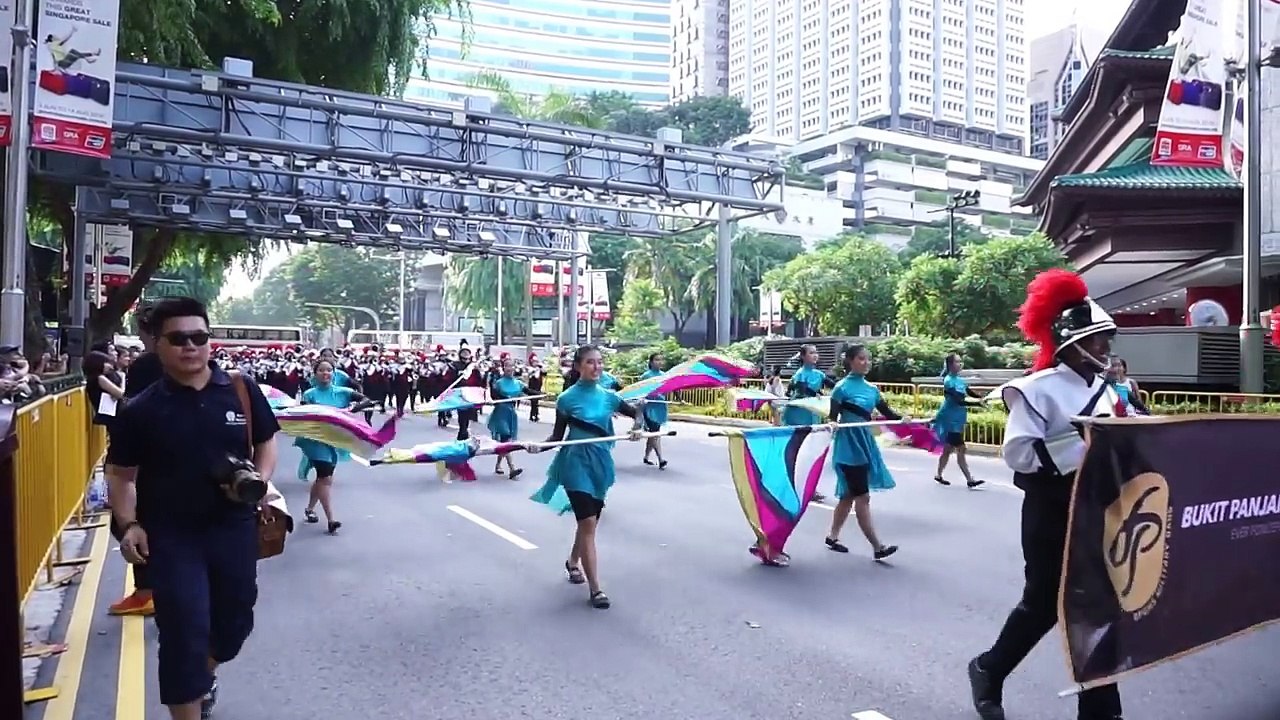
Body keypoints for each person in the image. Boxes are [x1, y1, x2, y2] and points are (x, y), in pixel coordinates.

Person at [104, 296, 280, 720]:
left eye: (198, 337)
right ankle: (189, 701)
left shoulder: (240, 389)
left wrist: (260, 480)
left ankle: (203, 676)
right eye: (178, 338)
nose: (190, 346)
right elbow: (121, 474)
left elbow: (267, 441)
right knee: (183, 629)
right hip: (171, 536)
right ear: (158, 345)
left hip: (233, 528)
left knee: (234, 624)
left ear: (210, 340)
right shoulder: (141, 409)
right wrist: (129, 525)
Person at [967, 269, 1125, 720]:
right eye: (1097, 340)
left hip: (1098, 507)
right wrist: (1087, 439)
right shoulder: (1034, 390)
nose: (1105, 349)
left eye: (1106, 339)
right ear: (1071, 344)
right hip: (1051, 510)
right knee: (1043, 605)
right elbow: (1018, 453)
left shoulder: (1106, 390)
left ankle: (1100, 709)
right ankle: (988, 669)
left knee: (1097, 606)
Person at [528, 345, 644, 610]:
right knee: (589, 524)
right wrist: (537, 447)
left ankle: (572, 562)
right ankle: (596, 590)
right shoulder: (566, 399)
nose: (597, 367)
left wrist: (637, 428)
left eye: (600, 362)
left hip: (600, 466)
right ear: (578, 367)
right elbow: (557, 437)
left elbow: (637, 412)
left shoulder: (609, 397)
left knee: (589, 523)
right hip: (575, 464)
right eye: (591, 363)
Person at [822, 345, 901, 561]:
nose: (866, 362)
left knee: (848, 496)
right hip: (848, 448)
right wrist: (831, 424)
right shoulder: (841, 389)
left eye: (868, 359)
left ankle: (832, 537)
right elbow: (832, 417)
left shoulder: (872, 390)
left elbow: (888, 413)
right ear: (850, 361)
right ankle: (878, 547)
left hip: (865, 444)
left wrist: (906, 422)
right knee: (862, 497)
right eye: (861, 358)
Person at [297, 359, 369, 534]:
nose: (325, 373)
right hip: (315, 440)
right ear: (315, 374)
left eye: (329, 370)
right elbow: (303, 413)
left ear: (334, 373)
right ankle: (331, 519)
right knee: (326, 477)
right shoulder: (309, 394)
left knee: (323, 478)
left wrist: (355, 408)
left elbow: (366, 398)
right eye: (321, 370)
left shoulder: (343, 392)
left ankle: (309, 509)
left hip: (335, 441)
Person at [783, 344, 835, 503]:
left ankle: (810, 487)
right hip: (797, 416)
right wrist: (817, 395)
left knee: (811, 454)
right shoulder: (799, 375)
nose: (815, 355)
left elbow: (835, 387)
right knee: (798, 453)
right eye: (811, 353)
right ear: (803, 356)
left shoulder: (819, 375)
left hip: (813, 417)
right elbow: (800, 390)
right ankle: (794, 486)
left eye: (816, 352)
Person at [933, 353, 985, 489]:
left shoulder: (960, 381)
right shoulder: (948, 381)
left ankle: (938, 475)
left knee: (948, 449)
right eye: (957, 362)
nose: (960, 364)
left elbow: (969, 392)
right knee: (961, 448)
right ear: (950, 365)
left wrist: (982, 398)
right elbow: (958, 401)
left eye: (960, 362)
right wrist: (977, 404)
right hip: (949, 419)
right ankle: (969, 479)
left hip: (958, 418)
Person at [487, 355, 534, 478]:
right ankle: (512, 468)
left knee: (505, 442)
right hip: (500, 413)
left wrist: (543, 394)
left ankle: (498, 465)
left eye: (511, 366)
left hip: (511, 413)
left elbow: (529, 392)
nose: (510, 368)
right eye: (507, 366)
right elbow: (494, 395)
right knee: (506, 438)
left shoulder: (518, 383)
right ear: (503, 368)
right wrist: (504, 398)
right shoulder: (498, 383)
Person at [638, 353, 668, 469]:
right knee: (655, 433)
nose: (659, 362)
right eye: (656, 360)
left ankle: (646, 457)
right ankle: (661, 459)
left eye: (661, 360)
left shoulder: (664, 375)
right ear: (651, 362)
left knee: (653, 433)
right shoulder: (646, 376)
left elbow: (671, 388)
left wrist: (681, 400)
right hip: (649, 407)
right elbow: (639, 391)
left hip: (660, 407)